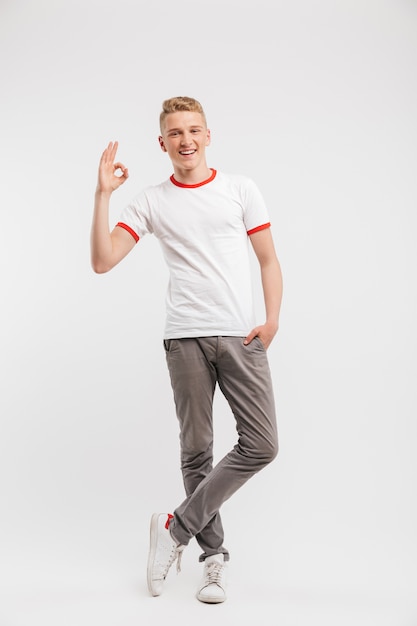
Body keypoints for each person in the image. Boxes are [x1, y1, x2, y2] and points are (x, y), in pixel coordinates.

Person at [90, 96, 283, 604]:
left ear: (208, 135)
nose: (186, 140)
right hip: (185, 338)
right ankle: (213, 558)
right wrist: (103, 195)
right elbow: (103, 261)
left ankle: (174, 529)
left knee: (261, 444)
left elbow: (267, 258)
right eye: (176, 133)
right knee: (196, 450)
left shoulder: (240, 189)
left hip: (241, 335)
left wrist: (272, 320)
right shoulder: (152, 200)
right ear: (163, 143)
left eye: (194, 130)